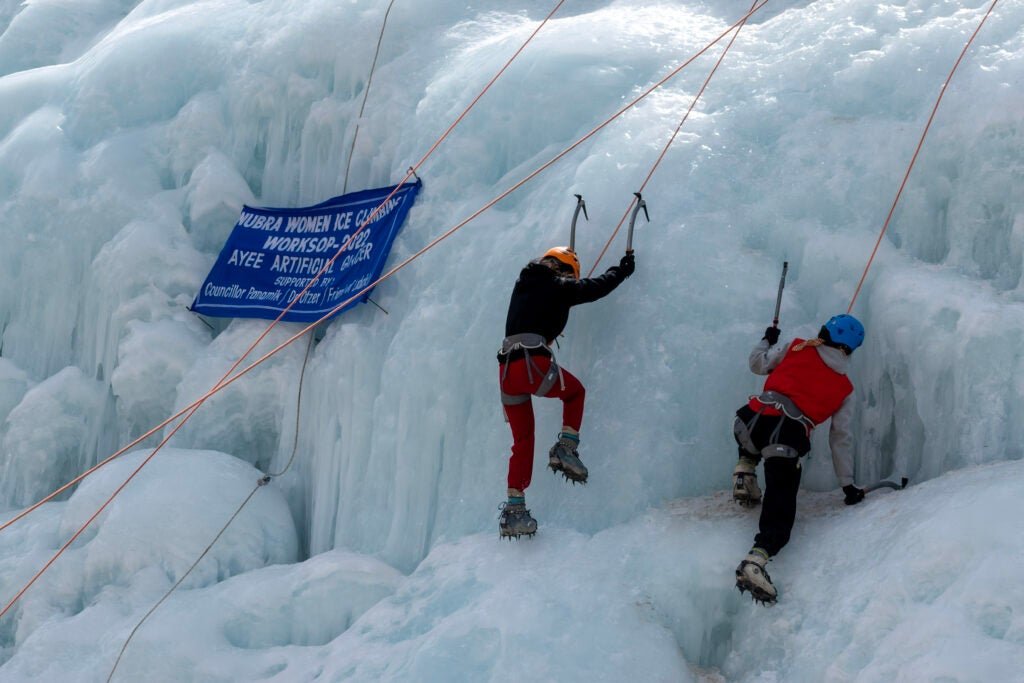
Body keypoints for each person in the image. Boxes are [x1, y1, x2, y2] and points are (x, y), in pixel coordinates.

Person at [496, 246, 635, 539]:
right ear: (563, 269)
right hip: (532, 364)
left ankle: (514, 509)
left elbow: (542, 309)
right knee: (574, 393)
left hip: (507, 372)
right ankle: (566, 448)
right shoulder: (557, 285)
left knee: (522, 440)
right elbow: (595, 288)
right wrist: (621, 271)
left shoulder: (523, 284)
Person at [731, 314, 867, 603]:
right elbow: (840, 438)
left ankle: (745, 469)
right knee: (780, 510)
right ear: (850, 350)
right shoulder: (845, 388)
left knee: (758, 428)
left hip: (746, 423)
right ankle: (756, 560)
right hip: (784, 441)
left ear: (823, 332)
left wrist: (768, 338)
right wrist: (848, 484)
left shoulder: (796, 346)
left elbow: (757, 363)